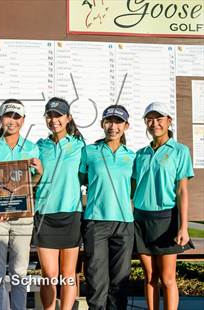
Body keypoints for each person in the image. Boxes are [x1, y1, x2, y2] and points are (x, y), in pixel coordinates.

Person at [0, 99, 43, 310]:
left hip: (23, 217)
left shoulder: (32, 148)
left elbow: (30, 185)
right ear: (0, 119)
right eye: (8, 116)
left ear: (23, 120)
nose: (12, 121)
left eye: (17, 117)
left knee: (19, 271)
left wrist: (40, 173)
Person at [132, 102, 194, 310]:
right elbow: (132, 188)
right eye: (150, 119)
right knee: (150, 277)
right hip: (141, 219)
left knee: (167, 278)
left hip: (166, 219)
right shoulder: (140, 154)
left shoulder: (180, 151)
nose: (154, 123)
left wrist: (183, 227)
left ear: (169, 121)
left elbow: (182, 191)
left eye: (159, 119)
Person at [79, 105, 135, 310]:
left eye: (118, 122)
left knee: (120, 280)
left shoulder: (132, 156)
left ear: (126, 126)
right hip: (96, 222)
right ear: (103, 124)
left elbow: (133, 187)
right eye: (109, 121)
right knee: (95, 276)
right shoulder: (89, 151)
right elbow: (82, 180)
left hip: (124, 224)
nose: (113, 126)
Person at [32, 98, 84, 310]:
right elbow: (30, 180)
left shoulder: (80, 147)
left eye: (59, 115)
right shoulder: (38, 147)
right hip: (44, 215)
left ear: (68, 118)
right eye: (50, 116)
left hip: (71, 215)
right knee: (49, 274)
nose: (54, 120)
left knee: (68, 274)